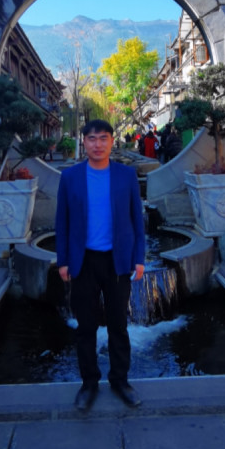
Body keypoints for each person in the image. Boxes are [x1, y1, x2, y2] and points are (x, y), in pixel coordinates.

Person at [55, 119, 145, 412]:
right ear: (84, 142)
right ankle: (89, 383)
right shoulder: (70, 177)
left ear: (111, 142)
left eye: (103, 138)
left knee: (118, 325)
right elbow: (62, 222)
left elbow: (137, 219)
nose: (97, 144)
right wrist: (63, 260)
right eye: (92, 139)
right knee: (86, 327)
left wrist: (139, 257)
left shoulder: (126, 175)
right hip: (83, 261)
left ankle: (120, 381)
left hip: (117, 261)